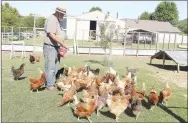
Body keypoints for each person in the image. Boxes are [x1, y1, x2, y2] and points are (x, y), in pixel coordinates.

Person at [43, 4, 68, 90]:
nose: (63, 15)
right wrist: (62, 43)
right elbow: (51, 34)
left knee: (56, 66)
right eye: (62, 14)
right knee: (50, 67)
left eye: (64, 14)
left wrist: (61, 45)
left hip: (56, 47)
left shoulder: (57, 20)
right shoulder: (52, 19)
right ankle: (49, 85)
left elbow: (58, 34)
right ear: (57, 12)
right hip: (50, 47)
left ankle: (52, 82)